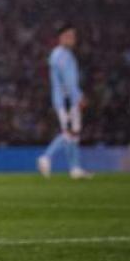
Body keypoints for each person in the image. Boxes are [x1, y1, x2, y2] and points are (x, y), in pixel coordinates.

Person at [37, 25, 91, 179]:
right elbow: (68, 81)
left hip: (69, 99)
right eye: (69, 35)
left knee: (73, 133)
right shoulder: (60, 55)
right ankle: (46, 157)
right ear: (61, 37)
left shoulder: (66, 54)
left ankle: (74, 168)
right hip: (66, 99)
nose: (73, 39)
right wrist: (78, 97)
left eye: (74, 35)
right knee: (69, 133)